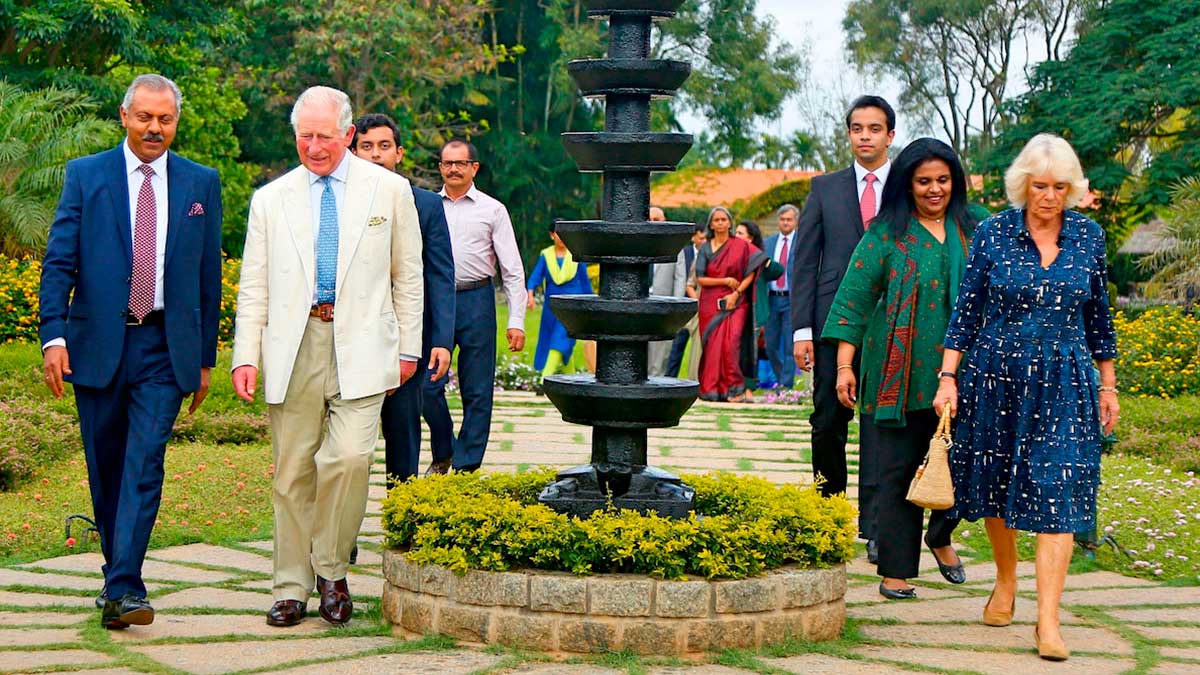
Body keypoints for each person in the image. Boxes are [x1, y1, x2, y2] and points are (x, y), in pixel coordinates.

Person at [231, 86, 424, 627]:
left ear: (347, 134)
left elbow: (408, 275)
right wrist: (245, 354)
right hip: (294, 346)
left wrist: (408, 346)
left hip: (364, 344)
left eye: (324, 136)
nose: (314, 146)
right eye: (304, 136)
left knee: (350, 460)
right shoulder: (271, 198)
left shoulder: (389, 191)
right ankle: (291, 586)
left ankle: (332, 570)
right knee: (292, 472)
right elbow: (254, 286)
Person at [39, 73, 223, 630]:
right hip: (96, 344)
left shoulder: (201, 183)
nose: (154, 128)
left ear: (175, 122)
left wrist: (205, 357)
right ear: (125, 117)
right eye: (144, 117)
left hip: (165, 347)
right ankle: (117, 576)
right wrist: (53, 336)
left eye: (165, 119)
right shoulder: (86, 175)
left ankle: (126, 589)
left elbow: (207, 275)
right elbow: (59, 261)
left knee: (145, 463)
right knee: (108, 467)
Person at [933, 134, 1118, 662]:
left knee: (1058, 486)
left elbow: (1099, 317)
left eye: (1060, 187)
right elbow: (966, 313)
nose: (1049, 196)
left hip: (1066, 378)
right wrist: (949, 377)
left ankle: (1048, 621)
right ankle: (1007, 581)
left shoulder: (1089, 237)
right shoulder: (993, 234)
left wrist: (1108, 384)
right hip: (996, 375)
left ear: (1072, 189)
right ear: (1023, 185)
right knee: (997, 483)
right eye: (1040, 186)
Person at [821, 138, 981, 600]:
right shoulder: (885, 234)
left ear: (956, 182)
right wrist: (845, 366)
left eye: (943, 180)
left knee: (967, 464)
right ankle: (895, 571)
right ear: (907, 184)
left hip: (966, 374)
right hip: (899, 376)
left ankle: (941, 534)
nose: (935, 189)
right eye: (924, 181)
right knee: (898, 471)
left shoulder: (975, 230)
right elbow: (853, 301)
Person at [791, 95, 896, 561]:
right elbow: (804, 262)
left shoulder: (906, 189)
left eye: (874, 129)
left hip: (894, 324)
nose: (865, 137)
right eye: (857, 129)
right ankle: (827, 513)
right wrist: (801, 330)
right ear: (849, 135)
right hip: (834, 323)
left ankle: (876, 527)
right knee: (828, 421)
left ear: (890, 135)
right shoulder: (825, 189)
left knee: (879, 425)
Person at [349, 113, 456, 481]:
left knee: (403, 432)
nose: (375, 155)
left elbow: (441, 276)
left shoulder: (426, 204)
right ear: (353, 151)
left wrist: (441, 340)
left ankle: (402, 514)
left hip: (408, 337)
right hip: (352, 335)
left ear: (399, 153)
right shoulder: (341, 202)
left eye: (383, 146)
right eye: (366, 147)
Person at [423, 139, 526, 472]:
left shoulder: (492, 209)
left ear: (474, 168)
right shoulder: (426, 206)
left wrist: (517, 320)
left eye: (461, 163)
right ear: (440, 167)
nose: (453, 169)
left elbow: (512, 270)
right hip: (435, 301)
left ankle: (466, 464)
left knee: (477, 389)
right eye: (447, 163)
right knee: (426, 384)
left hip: (477, 301)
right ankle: (445, 449)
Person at [692, 207, 769, 402]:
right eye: (716, 220)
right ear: (711, 224)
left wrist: (736, 292)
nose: (719, 223)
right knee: (712, 347)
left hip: (737, 303)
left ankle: (734, 390)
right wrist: (725, 281)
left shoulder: (740, 245)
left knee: (732, 343)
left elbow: (752, 268)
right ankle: (712, 390)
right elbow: (700, 279)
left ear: (729, 223)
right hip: (710, 304)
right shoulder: (705, 248)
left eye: (723, 219)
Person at [526, 221, 592, 377]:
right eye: (558, 234)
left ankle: (544, 380)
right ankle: (571, 378)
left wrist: (589, 308)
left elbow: (585, 282)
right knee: (559, 341)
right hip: (552, 307)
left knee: (560, 339)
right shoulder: (546, 255)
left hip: (573, 307)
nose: (562, 238)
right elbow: (535, 277)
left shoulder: (577, 254)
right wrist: (530, 294)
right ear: (551, 235)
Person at [734, 219, 784, 399]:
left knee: (750, 352)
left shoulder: (759, 259)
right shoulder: (731, 255)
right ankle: (734, 389)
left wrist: (764, 259)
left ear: (750, 238)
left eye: (740, 233)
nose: (736, 236)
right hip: (733, 310)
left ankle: (748, 389)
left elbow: (778, 271)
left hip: (754, 311)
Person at [763, 204, 799, 389]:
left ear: (795, 221)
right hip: (771, 299)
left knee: (790, 345)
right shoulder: (768, 242)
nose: (785, 223)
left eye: (789, 219)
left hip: (791, 300)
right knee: (771, 345)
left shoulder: (802, 242)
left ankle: (785, 386)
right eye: (782, 219)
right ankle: (780, 379)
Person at [665, 223, 707, 379]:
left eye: (705, 238)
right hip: (684, 306)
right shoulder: (684, 253)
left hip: (701, 308)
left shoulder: (709, 253)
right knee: (677, 345)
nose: (703, 241)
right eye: (701, 237)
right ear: (694, 237)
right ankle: (670, 377)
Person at [647, 207, 685, 376]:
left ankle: (655, 381)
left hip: (662, 302)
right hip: (638, 301)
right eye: (650, 219)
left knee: (659, 349)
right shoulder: (635, 243)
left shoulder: (674, 246)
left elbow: (680, 278)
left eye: (657, 220)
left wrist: (675, 305)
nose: (653, 223)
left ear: (664, 221)